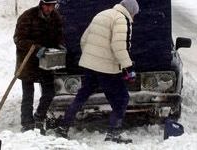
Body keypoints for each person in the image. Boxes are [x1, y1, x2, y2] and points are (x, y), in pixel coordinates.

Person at [55, 0, 139, 143]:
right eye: (134, 13)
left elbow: (84, 39)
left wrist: (91, 58)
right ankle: (113, 134)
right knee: (122, 98)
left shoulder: (102, 14)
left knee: (82, 96)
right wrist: (128, 67)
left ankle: (63, 127)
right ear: (130, 10)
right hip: (107, 69)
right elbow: (119, 46)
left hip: (90, 66)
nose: (134, 17)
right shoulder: (121, 19)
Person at [13, 0, 65, 134]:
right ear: (41, 4)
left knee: (49, 92)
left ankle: (39, 117)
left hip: (46, 62)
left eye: (52, 6)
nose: (49, 9)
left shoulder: (56, 17)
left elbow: (59, 35)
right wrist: (36, 48)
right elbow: (18, 38)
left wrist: (59, 45)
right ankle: (27, 123)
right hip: (28, 62)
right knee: (28, 95)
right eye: (47, 5)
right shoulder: (27, 16)